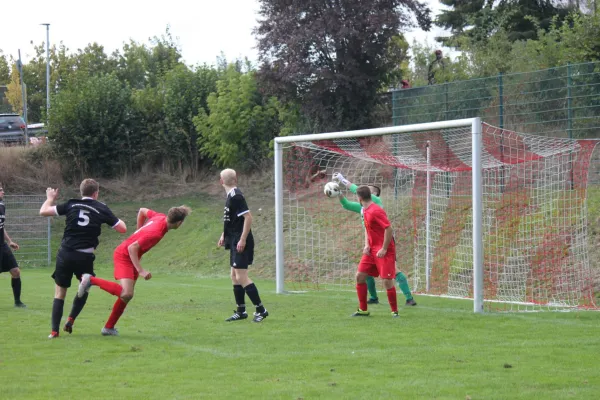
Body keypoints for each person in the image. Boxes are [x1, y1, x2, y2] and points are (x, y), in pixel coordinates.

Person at [78, 205, 191, 336]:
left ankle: (109, 328)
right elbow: (132, 248)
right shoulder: (156, 232)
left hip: (132, 256)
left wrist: (139, 230)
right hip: (124, 255)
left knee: (126, 297)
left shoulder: (160, 216)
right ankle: (91, 280)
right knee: (127, 293)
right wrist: (141, 270)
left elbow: (142, 210)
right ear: (179, 223)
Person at [39, 179, 127, 339]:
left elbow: (43, 211)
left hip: (65, 254)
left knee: (60, 292)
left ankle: (54, 331)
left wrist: (50, 198)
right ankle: (71, 319)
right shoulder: (101, 208)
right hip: (84, 256)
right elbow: (122, 229)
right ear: (96, 193)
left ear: (81, 192)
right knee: (85, 285)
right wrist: (114, 217)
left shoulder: (71, 204)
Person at [333, 172, 417, 306]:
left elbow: (356, 189)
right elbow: (347, 205)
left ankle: (409, 298)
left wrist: (342, 180)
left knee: (394, 270)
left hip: (384, 241)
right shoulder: (362, 207)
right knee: (365, 272)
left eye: (369, 189)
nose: (365, 188)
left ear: (374, 194)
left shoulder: (376, 202)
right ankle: (373, 297)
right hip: (371, 241)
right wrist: (337, 193)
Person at [218, 168, 268, 323]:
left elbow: (248, 217)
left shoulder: (236, 196)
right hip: (233, 239)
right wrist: (224, 235)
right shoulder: (231, 196)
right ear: (236, 178)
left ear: (221, 181)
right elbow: (232, 220)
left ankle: (261, 310)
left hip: (240, 241)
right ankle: (241, 311)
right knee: (234, 276)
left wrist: (243, 239)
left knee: (241, 276)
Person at [351, 185, 399, 317]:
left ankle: (394, 312)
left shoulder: (375, 211)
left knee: (387, 281)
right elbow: (367, 228)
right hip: (371, 250)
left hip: (384, 250)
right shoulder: (364, 210)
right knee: (360, 276)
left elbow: (388, 229)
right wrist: (366, 244)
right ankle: (363, 310)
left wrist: (384, 248)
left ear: (359, 198)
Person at [0, 184, 26, 308]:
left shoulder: (2, 206)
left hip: (3, 245)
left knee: (15, 271)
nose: (3, 192)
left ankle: (17, 302)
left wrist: (9, 241)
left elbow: (1, 226)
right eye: (0, 190)